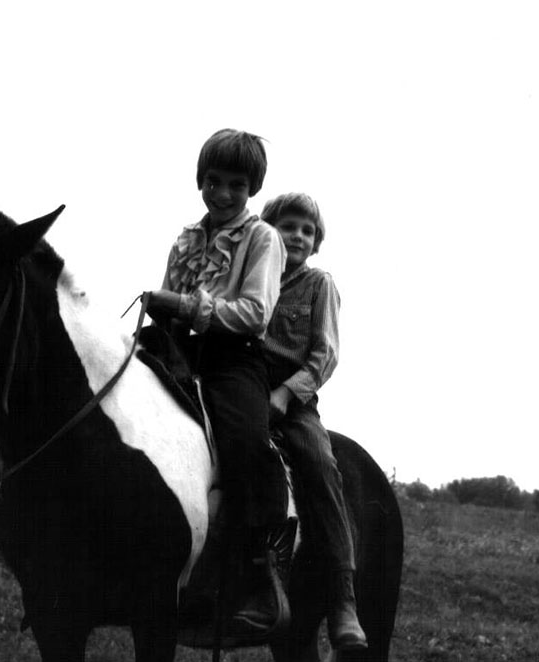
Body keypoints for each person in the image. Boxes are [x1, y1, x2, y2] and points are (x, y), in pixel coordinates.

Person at [146, 128, 291, 630]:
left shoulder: (262, 238)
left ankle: (255, 573)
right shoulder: (186, 237)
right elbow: (169, 294)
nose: (222, 193)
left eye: (235, 184)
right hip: (178, 350)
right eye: (213, 180)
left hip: (234, 359)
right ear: (200, 179)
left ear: (251, 188)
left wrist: (184, 305)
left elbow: (255, 313)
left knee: (245, 445)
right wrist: (161, 312)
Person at [258, 192, 368, 650]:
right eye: (289, 226)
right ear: (268, 233)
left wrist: (286, 394)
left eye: (307, 230)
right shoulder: (252, 277)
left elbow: (326, 355)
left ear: (316, 242)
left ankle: (343, 597)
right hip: (241, 387)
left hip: (293, 399)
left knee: (319, 465)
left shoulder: (319, 285)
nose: (298, 235)